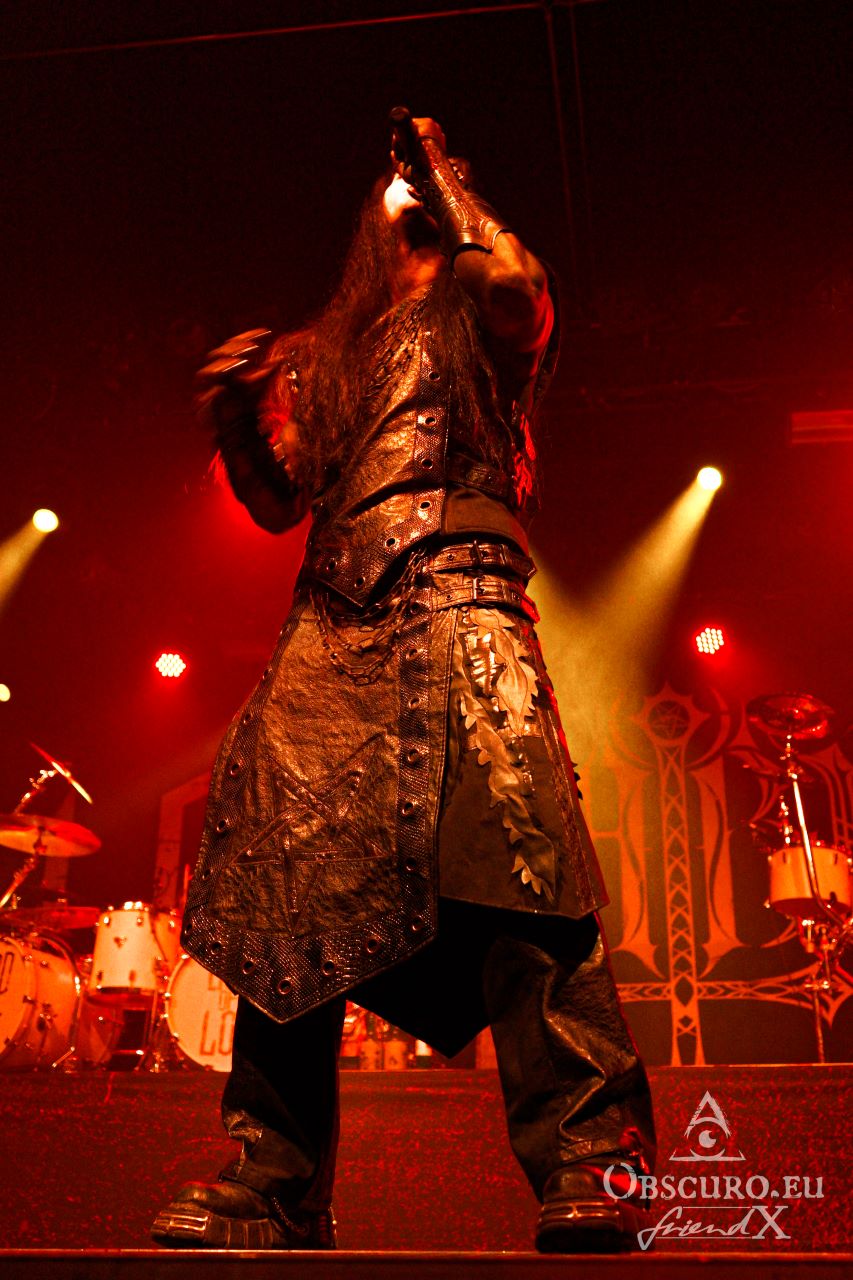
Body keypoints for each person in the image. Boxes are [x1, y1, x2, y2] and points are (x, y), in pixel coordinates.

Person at [152, 110, 656, 1254]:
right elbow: (280, 499)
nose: (403, 202)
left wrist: (441, 167)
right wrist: (237, 416)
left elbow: (516, 285)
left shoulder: (488, 305)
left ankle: (596, 1156)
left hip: (463, 596)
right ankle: (275, 1180)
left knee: (521, 872)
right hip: (331, 624)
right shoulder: (337, 347)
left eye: (421, 195)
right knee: (279, 881)